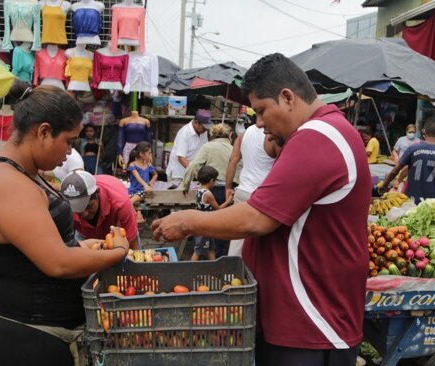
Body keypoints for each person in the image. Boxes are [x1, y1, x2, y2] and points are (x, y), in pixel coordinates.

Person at [152, 53, 371, 366]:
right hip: (301, 323)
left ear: (287, 97)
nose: (261, 123)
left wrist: (188, 221)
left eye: (262, 110)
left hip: (312, 324)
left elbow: (257, 218)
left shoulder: (319, 137)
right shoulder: (319, 133)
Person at [0, 81, 129, 366]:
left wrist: (81, 246)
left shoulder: (26, 171)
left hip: (42, 330)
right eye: (69, 141)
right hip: (28, 335)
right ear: (43, 132)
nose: (70, 152)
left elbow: (38, 245)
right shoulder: (7, 182)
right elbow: (57, 263)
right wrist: (116, 253)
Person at [181, 123, 236, 256]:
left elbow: (193, 165)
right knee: (223, 225)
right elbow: (239, 167)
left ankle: (200, 253)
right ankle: (218, 256)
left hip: (211, 189)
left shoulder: (208, 146)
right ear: (229, 136)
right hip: (227, 190)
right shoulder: (233, 149)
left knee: (204, 223)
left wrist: (185, 185)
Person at [225, 123, 278, 256]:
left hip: (242, 190)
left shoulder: (244, 134)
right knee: (261, 240)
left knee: (237, 237)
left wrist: (228, 187)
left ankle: (231, 272)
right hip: (262, 194)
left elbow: (233, 159)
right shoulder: (273, 135)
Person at [379, 118, 435, 204]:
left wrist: (384, 185)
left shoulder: (412, 149)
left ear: (423, 131)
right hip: (433, 201)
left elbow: (395, 171)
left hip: (411, 199)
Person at [62, 170, 140, 250]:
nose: (85, 214)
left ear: (97, 193)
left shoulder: (121, 204)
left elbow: (134, 246)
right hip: (85, 233)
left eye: (88, 206)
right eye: (78, 210)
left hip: (116, 229)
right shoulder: (64, 208)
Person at [191, 165, 234, 261]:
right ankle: (190, 271)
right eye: (215, 181)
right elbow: (218, 209)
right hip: (204, 225)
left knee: (211, 249)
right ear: (211, 181)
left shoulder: (198, 190)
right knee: (198, 251)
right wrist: (229, 200)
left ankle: (213, 270)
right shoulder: (208, 194)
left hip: (203, 223)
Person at [165, 109, 212, 185]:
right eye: (204, 127)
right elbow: (181, 158)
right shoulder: (184, 133)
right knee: (177, 196)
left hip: (191, 171)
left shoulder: (203, 132)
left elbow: (205, 150)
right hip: (178, 174)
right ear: (196, 122)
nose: (205, 130)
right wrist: (195, 173)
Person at [127, 142, 157, 223]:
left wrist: (151, 182)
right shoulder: (132, 165)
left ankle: (137, 215)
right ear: (141, 154)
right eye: (149, 153)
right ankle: (136, 215)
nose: (151, 155)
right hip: (134, 191)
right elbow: (138, 177)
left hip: (144, 191)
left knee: (132, 201)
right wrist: (145, 185)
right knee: (129, 201)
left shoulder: (148, 164)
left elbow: (155, 175)